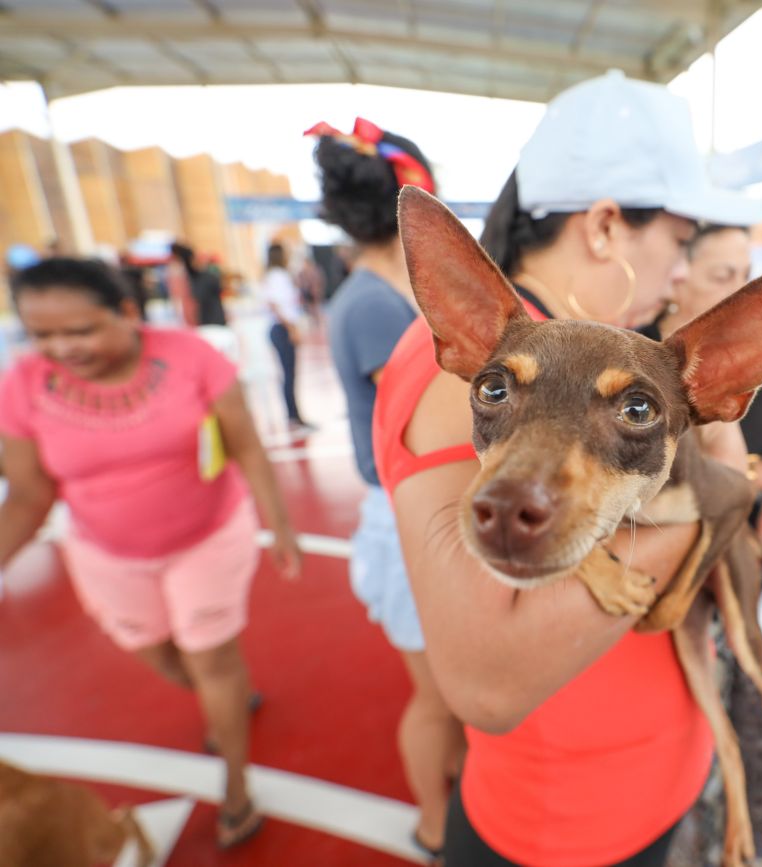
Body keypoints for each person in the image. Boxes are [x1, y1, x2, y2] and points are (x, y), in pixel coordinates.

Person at [375, 70, 762, 867]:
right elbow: (487, 684)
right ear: (605, 226)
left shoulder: (571, 345)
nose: (681, 273)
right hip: (564, 827)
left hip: (643, 789)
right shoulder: (490, 357)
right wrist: (717, 491)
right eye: (680, 242)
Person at [0, 257, 300, 850]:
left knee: (211, 657)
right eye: (42, 334)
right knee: (159, 653)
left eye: (80, 330)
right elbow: (31, 495)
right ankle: (226, 702)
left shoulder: (191, 358)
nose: (62, 347)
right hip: (106, 554)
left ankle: (236, 787)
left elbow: (246, 447)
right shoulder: (24, 385)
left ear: (128, 313)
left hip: (207, 538)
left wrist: (280, 524)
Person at [646, 225, 762, 867]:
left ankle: (755, 841)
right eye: (722, 275)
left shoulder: (754, 358)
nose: (742, 290)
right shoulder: (645, 371)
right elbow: (666, 490)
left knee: (756, 705)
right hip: (678, 567)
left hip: (751, 551)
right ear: (678, 278)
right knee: (695, 734)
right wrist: (759, 483)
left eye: (747, 272)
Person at [308, 116, 460, 862]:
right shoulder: (373, 304)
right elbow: (425, 414)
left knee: (449, 690)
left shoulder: (378, 292)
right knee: (436, 696)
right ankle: (435, 826)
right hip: (405, 519)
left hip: (414, 513)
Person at [260, 242, 311, 434]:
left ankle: (295, 416)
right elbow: (275, 304)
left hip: (279, 328)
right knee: (289, 374)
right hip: (282, 329)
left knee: (289, 374)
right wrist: (291, 329)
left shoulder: (272, 276)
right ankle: (293, 418)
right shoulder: (278, 277)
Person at [170, 242, 227, 327]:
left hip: (211, 323)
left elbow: (197, 298)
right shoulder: (197, 278)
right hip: (205, 323)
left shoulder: (206, 278)